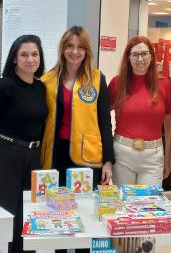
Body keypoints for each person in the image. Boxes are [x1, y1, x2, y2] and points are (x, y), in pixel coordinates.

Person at [40, 26, 114, 252]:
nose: (74, 52)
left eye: (80, 47)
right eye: (70, 46)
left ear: (87, 51)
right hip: (56, 155)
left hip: (86, 157)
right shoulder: (47, 79)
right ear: (62, 49)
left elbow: (104, 121)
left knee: (84, 213)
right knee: (59, 214)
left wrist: (108, 160)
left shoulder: (97, 79)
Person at [0, 35, 48, 253]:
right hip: (4, 156)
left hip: (33, 157)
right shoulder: (1, 88)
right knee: (4, 213)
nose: (30, 59)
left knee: (27, 214)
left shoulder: (41, 88)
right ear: (15, 59)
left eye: (34, 54)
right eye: (24, 55)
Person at [108, 36, 171, 187]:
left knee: (148, 205)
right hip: (122, 154)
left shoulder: (164, 85)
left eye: (144, 53)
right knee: (124, 203)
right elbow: (102, 118)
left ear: (151, 56)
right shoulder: (117, 83)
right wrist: (106, 155)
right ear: (128, 58)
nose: (140, 59)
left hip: (153, 156)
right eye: (135, 54)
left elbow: (169, 125)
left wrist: (168, 158)